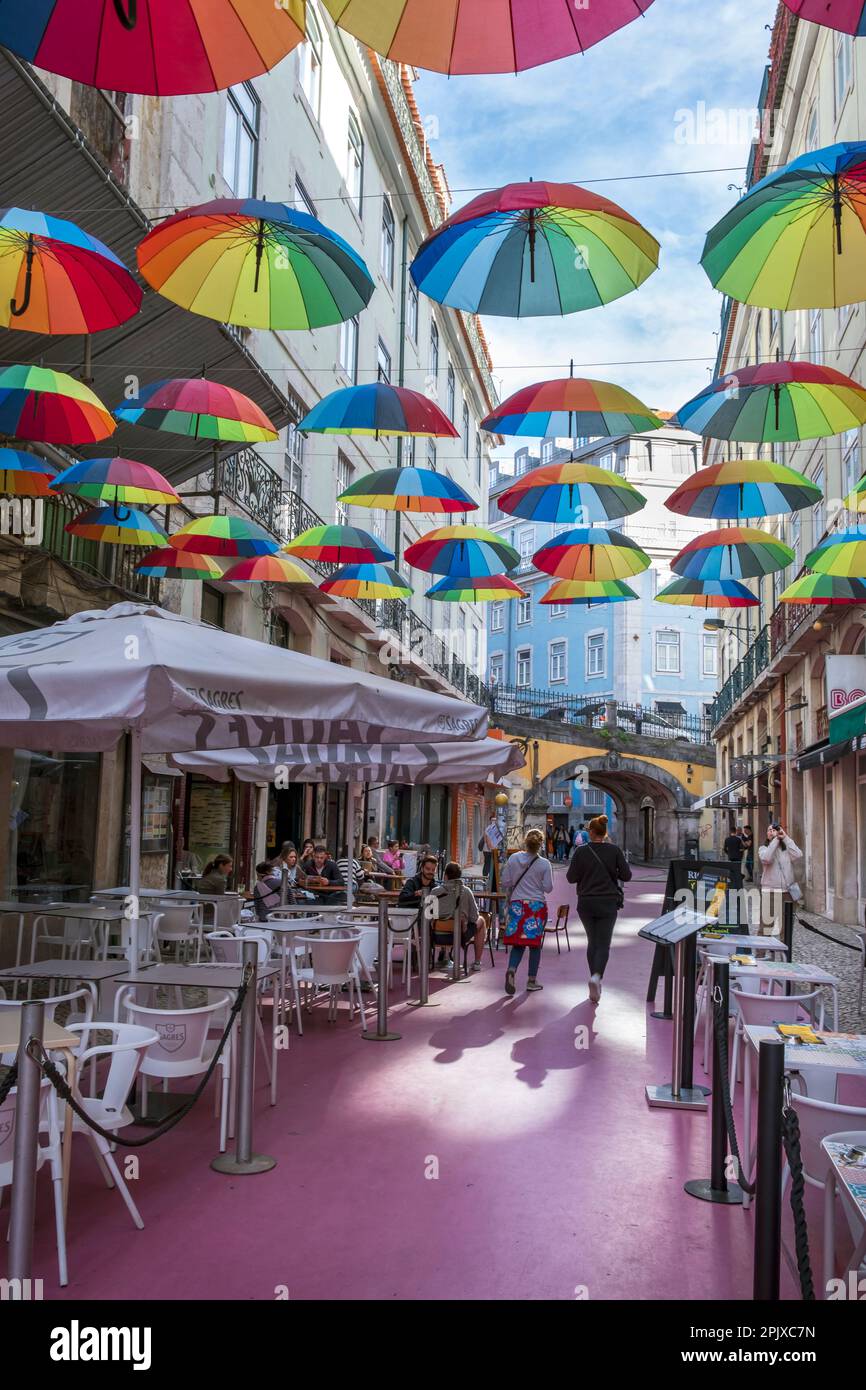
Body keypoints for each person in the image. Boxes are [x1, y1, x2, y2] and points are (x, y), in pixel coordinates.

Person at [566, 814, 632, 1004]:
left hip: (586, 902)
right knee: (604, 943)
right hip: (608, 901)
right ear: (604, 832)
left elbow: (571, 878)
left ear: (591, 832)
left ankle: (594, 979)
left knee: (592, 941)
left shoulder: (581, 851)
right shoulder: (614, 850)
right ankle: (597, 977)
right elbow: (627, 876)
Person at [501, 828, 554, 996]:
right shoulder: (544, 863)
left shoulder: (514, 858)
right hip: (536, 906)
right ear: (540, 844)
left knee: (518, 942)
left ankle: (511, 969)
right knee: (534, 944)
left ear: (525, 841)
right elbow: (548, 888)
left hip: (517, 904)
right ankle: (531, 980)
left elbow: (506, 882)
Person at [432, 862, 487, 973]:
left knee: (439, 919)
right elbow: (474, 917)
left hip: (436, 936)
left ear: (445, 876)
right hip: (460, 935)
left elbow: (429, 914)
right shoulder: (466, 891)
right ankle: (477, 962)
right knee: (481, 920)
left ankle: (442, 955)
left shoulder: (435, 891)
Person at [757, 823, 803, 937]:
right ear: (767, 834)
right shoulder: (763, 849)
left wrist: (785, 837)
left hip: (787, 892)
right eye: (769, 830)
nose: (772, 831)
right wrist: (776, 840)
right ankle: (760, 954)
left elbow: (798, 854)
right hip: (770, 892)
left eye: (775, 829)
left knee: (786, 928)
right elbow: (767, 858)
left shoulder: (786, 850)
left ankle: (785, 954)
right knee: (766, 927)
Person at [481, 812, 499, 883]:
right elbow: (486, 840)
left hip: (490, 849)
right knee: (488, 864)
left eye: (495, 820)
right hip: (488, 850)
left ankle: (486, 878)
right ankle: (485, 878)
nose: (494, 821)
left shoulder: (493, 828)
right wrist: (491, 848)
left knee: (488, 863)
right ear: (490, 821)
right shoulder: (489, 828)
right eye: (492, 820)